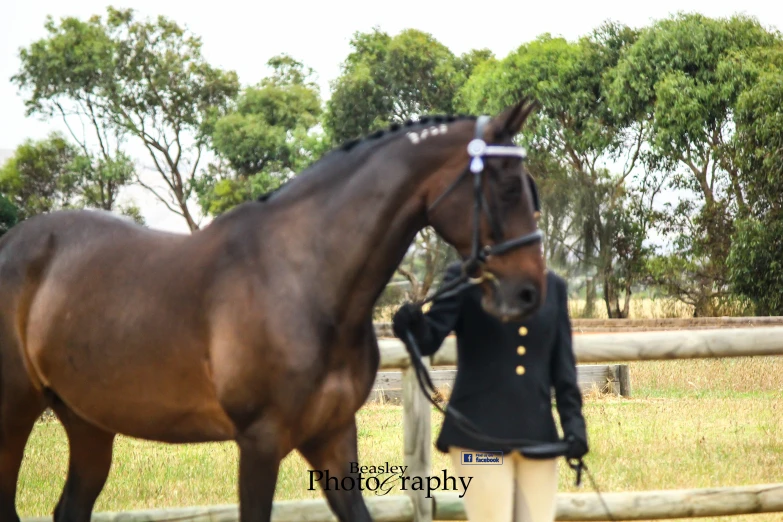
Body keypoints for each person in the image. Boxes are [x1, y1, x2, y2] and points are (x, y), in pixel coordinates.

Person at [392, 260, 588, 522]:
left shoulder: (553, 287)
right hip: (479, 443)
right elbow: (429, 338)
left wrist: (574, 425)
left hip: (539, 439)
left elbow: (563, 369)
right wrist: (412, 323)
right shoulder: (466, 278)